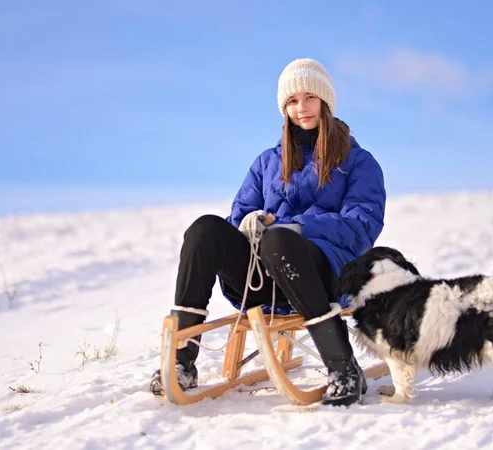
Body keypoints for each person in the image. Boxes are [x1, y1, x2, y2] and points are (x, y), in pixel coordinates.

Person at [150, 58, 386, 407]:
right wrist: (248, 223)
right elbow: (240, 214)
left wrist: (299, 227)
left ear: (325, 101)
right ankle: (182, 362)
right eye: (292, 101)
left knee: (280, 239)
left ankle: (343, 367)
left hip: (323, 275)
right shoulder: (267, 162)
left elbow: (362, 225)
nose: (301, 107)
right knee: (204, 230)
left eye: (309, 97)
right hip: (262, 281)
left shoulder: (358, 161)